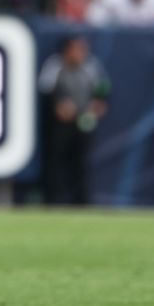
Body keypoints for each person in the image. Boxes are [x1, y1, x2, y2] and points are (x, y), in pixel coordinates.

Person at [37, 36, 111, 205]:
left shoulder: (91, 66)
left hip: (84, 120)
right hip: (60, 124)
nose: (80, 53)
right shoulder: (55, 65)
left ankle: (82, 203)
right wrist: (59, 104)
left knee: (82, 163)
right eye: (76, 49)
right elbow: (46, 91)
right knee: (56, 163)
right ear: (67, 50)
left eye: (83, 49)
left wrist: (98, 103)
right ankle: (52, 202)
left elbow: (103, 88)